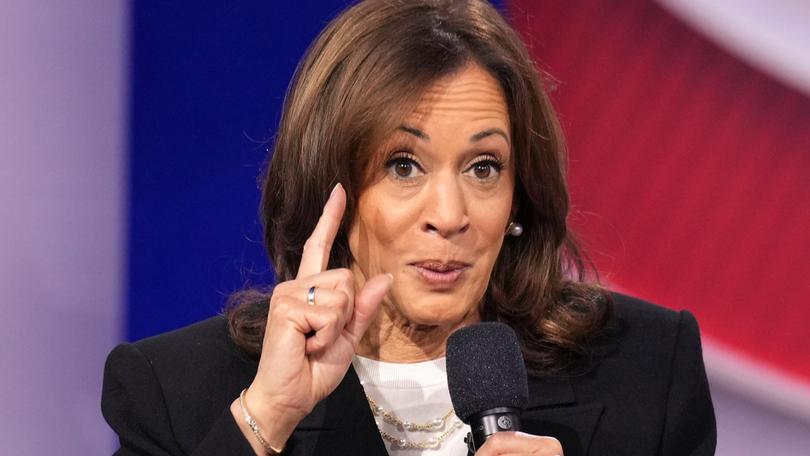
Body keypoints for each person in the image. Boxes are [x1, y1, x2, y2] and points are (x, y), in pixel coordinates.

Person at [102, 0, 716, 455]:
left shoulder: (647, 369)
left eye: (484, 167)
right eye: (403, 166)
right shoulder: (178, 391)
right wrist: (266, 418)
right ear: (329, 185)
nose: (448, 216)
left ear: (518, 199)